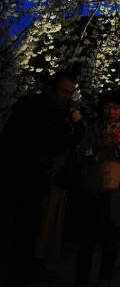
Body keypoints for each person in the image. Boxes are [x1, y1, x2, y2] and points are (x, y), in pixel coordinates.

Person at [0, 70, 80, 287]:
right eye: (64, 91)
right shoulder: (32, 107)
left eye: (70, 93)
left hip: (33, 181)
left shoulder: (60, 113)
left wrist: (72, 126)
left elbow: (63, 142)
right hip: (14, 175)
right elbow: (18, 140)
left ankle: (17, 277)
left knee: (26, 234)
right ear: (52, 89)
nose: (67, 97)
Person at [75, 92, 120, 287]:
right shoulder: (93, 129)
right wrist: (97, 146)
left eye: (115, 108)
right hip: (92, 186)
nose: (111, 112)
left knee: (111, 237)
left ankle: (105, 277)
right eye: (107, 108)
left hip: (116, 188)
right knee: (87, 237)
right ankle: (82, 277)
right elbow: (82, 155)